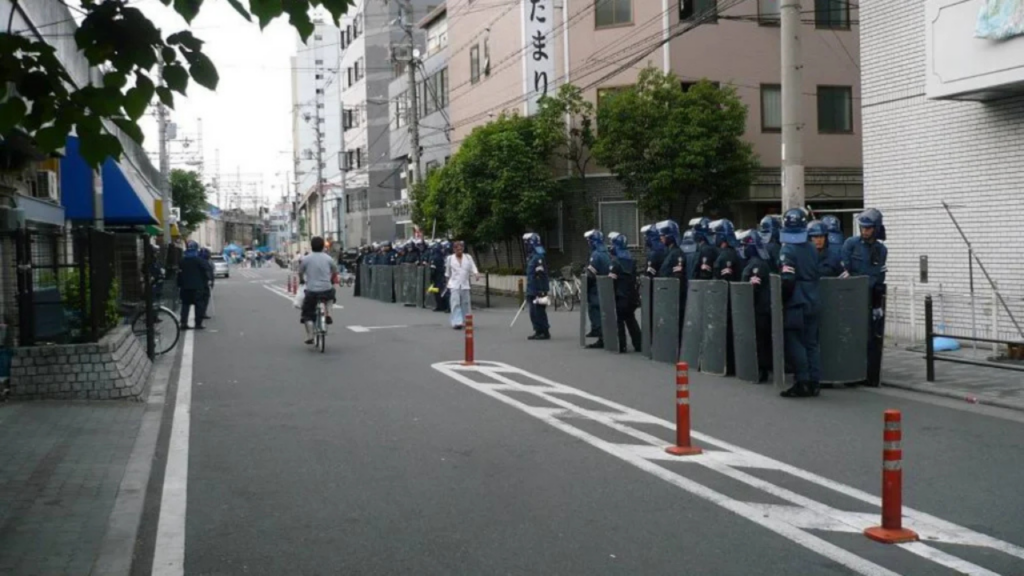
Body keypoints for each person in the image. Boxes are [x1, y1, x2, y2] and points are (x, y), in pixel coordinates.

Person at [841, 208, 888, 387]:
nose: (865, 231)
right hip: (850, 297)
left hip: (869, 297)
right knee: (849, 336)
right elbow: (845, 268)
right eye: (863, 227)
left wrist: (876, 303)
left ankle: (866, 374)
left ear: (876, 228)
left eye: (868, 228)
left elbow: (878, 276)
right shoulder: (851, 244)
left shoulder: (881, 249)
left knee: (868, 338)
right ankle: (849, 373)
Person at [779, 208, 822, 398]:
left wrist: (783, 298)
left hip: (796, 300)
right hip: (813, 298)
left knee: (795, 341)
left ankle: (802, 381)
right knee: (811, 342)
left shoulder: (787, 248)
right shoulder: (812, 247)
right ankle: (814, 381)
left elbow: (787, 278)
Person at [738, 229, 773, 383]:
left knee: (761, 341)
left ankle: (761, 370)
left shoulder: (756, 265)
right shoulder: (756, 262)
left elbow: (753, 287)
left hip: (760, 309)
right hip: (760, 308)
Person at [299, 236, 339, 345]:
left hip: (311, 290)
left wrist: (302, 280)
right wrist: (329, 278)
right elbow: (335, 270)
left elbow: (301, 272)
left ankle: (310, 336)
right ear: (323, 246)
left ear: (311, 246)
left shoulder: (306, 259)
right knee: (331, 297)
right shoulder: (328, 258)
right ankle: (329, 314)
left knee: (307, 313)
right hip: (326, 288)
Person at [656, 219, 687, 348]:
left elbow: (677, 277)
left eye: (663, 235)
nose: (661, 238)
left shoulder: (677, 254)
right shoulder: (669, 252)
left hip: (675, 297)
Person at [608, 232, 641, 353]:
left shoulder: (615, 262)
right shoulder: (631, 260)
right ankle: (639, 343)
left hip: (620, 295)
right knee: (631, 319)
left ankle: (621, 345)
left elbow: (612, 280)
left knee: (620, 320)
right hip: (632, 295)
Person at [583, 229, 611, 349]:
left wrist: (585, 287)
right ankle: (597, 331)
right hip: (605, 285)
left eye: (589, 241)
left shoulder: (596, 255)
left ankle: (601, 337)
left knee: (596, 310)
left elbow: (590, 274)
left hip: (596, 287)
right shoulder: (606, 252)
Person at [178, 241, 212, 330]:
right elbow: (206, 271)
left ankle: (183, 323)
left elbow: (179, 273)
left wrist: (180, 284)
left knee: (185, 305)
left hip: (185, 287)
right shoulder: (199, 261)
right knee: (199, 305)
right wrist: (208, 281)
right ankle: (198, 323)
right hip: (198, 286)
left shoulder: (182, 261)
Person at [523, 233, 551, 341]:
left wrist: (540, 290)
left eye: (527, 243)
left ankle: (543, 331)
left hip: (538, 289)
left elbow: (540, 275)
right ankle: (538, 330)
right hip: (532, 288)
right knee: (533, 312)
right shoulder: (532, 257)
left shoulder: (538, 257)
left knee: (539, 311)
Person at [445, 240, 478, 329]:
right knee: (455, 303)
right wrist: (447, 281)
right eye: (457, 249)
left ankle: (466, 320)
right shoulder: (450, 258)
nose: (459, 251)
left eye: (461, 249)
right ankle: (456, 322)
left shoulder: (468, 257)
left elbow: (473, 266)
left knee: (466, 303)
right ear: (454, 250)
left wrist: (476, 273)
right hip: (454, 284)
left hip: (465, 284)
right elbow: (447, 272)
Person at [431, 240, 451, 312]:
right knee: (441, 291)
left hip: (440, 277)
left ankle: (443, 306)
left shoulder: (436, 257)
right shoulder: (444, 256)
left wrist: (431, 277)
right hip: (442, 276)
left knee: (442, 292)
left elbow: (433, 269)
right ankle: (444, 306)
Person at [197, 247, 214, 321]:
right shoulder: (204, 262)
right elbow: (208, 271)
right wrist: (209, 279)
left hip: (203, 282)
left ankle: (202, 313)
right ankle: (202, 313)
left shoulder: (203, 261)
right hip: (204, 282)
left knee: (204, 298)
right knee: (204, 298)